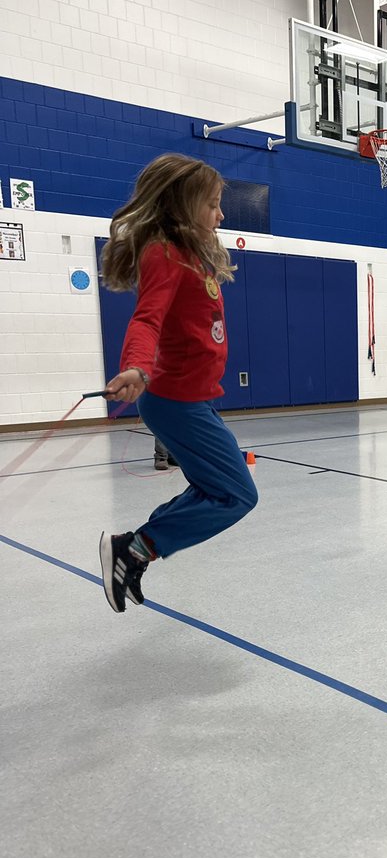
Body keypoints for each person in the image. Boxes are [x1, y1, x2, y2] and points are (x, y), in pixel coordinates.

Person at [98, 153, 258, 613]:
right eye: (212, 205)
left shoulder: (194, 254)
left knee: (216, 488)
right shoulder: (163, 254)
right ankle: (134, 548)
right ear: (183, 206)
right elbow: (146, 319)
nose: (221, 214)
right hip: (175, 402)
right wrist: (136, 368)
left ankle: (133, 549)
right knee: (237, 494)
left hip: (198, 401)